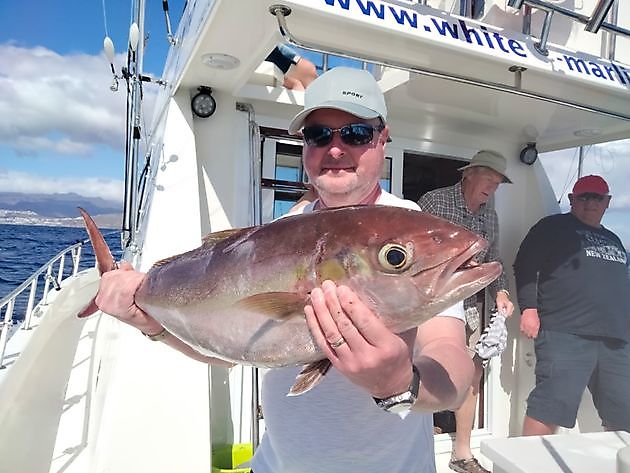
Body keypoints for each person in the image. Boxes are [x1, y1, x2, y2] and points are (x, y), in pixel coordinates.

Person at [94, 67, 475, 473]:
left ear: (383, 139)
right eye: (318, 135)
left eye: (356, 134)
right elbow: (228, 352)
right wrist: (147, 321)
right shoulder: (284, 228)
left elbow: (451, 358)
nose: (335, 148)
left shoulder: (410, 232)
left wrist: (401, 383)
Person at [417, 150, 515, 473]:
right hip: (436, 306)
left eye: (498, 182)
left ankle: (461, 452)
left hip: (471, 306)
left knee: (471, 374)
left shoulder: (491, 216)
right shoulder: (434, 202)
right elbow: (421, 256)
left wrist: (501, 291)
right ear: (468, 174)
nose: (492, 187)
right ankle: (419, 448)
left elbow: (495, 259)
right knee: (427, 371)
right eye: (489, 178)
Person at [514, 175, 630, 436]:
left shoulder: (614, 239)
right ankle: (530, 463)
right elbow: (524, 265)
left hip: (616, 339)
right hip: (565, 331)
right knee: (550, 405)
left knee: (623, 410)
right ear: (571, 200)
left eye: (597, 197)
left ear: (607, 202)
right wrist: (529, 309)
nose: (591, 202)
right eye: (584, 196)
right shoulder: (552, 227)